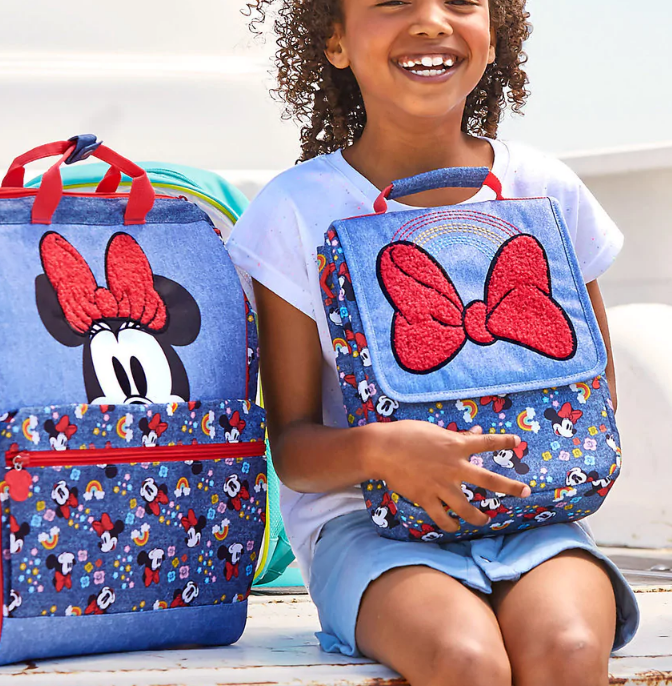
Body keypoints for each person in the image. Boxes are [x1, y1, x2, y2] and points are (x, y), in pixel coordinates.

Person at [227, 2, 639, 685]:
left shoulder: (549, 191)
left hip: (535, 513)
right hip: (367, 530)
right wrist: (386, 452)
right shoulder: (294, 211)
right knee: (463, 658)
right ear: (334, 40)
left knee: (567, 647)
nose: (431, 22)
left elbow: (599, 396)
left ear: (494, 32)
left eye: (460, 2)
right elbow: (293, 451)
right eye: (392, 2)